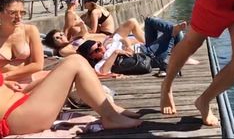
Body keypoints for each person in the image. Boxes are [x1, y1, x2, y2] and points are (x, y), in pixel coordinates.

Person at [0, 54, 142, 137]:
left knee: (59, 71)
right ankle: (111, 116)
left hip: (20, 101)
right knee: (75, 62)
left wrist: (5, 83)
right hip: (16, 117)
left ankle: (110, 109)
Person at [76, 18, 191, 75]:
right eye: (97, 50)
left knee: (149, 20)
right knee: (173, 33)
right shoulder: (102, 63)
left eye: (99, 45)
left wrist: (127, 46)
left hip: (143, 48)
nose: (101, 48)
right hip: (147, 56)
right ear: (92, 57)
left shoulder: (108, 44)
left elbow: (123, 38)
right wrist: (116, 52)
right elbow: (104, 71)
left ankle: (173, 32)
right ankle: (174, 34)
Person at [0, 0, 47, 91]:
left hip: (27, 81)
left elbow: (38, 65)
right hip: (3, 85)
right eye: (13, 13)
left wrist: (6, 75)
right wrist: (4, 81)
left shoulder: (30, 31)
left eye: (22, 12)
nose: (19, 17)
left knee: (67, 69)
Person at [44, 17, 146, 58]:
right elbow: (82, 53)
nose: (61, 37)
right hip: (107, 45)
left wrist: (80, 24)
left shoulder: (73, 40)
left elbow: (84, 32)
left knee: (140, 40)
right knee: (132, 23)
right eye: (57, 38)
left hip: (109, 39)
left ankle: (148, 44)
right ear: (54, 44)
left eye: (61, 34)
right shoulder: (64, 50)